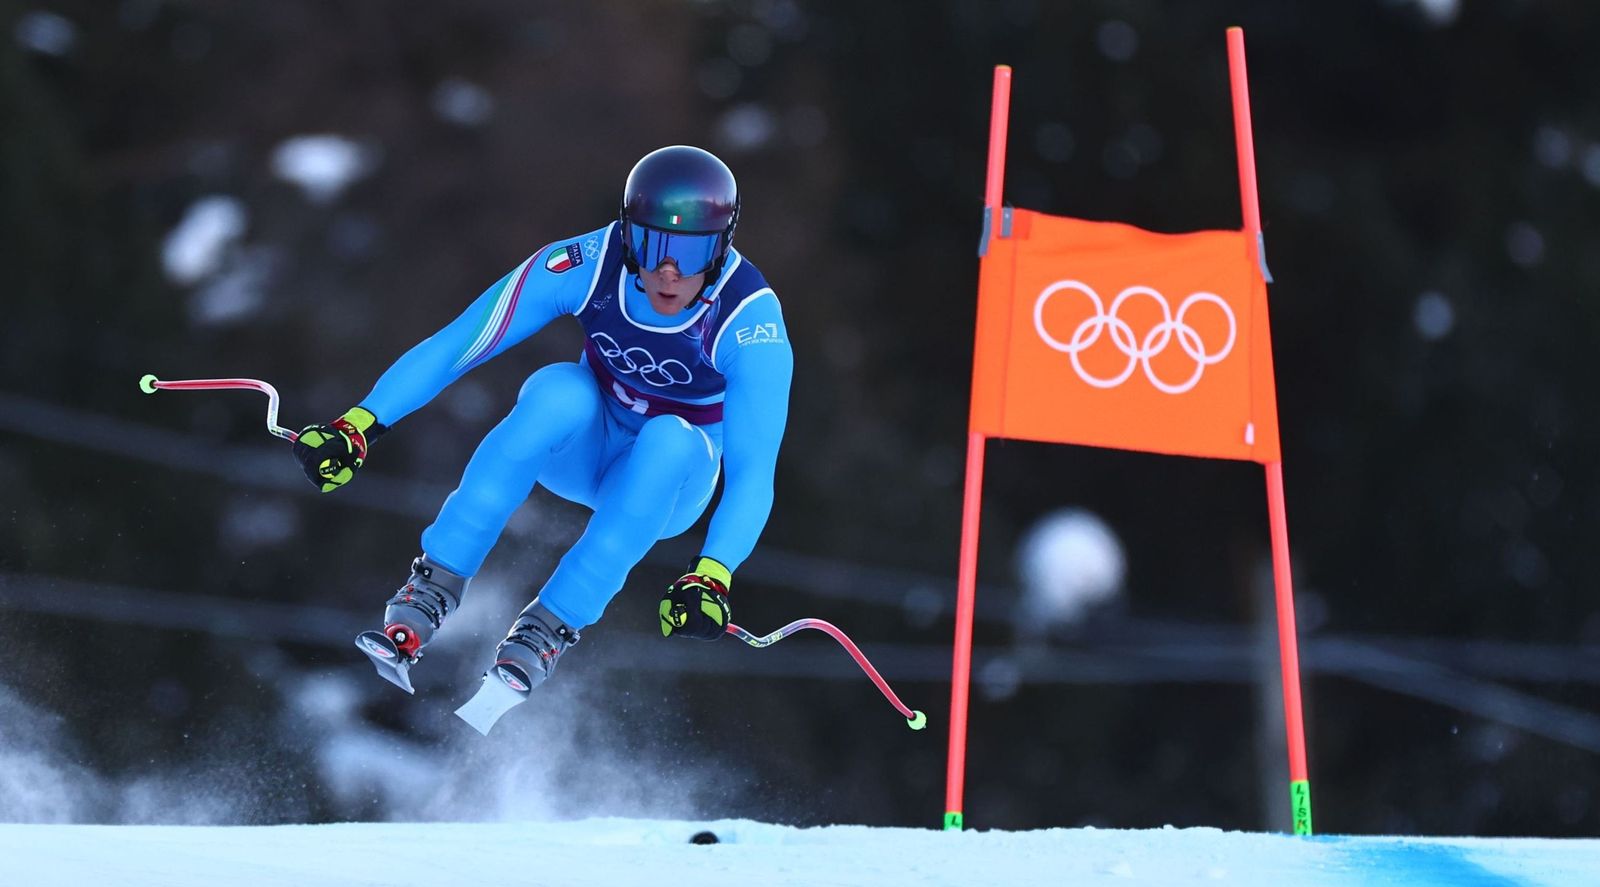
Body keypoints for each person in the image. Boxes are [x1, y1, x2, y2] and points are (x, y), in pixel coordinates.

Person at [291, 145, 793, 725]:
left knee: (670, 439)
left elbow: (755, 474)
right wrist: (360, 424)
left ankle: (550, 626)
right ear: (628, 233)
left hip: (671, 485)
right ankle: (433, 584)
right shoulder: (587, 261)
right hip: (584, 450)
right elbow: (462, 342)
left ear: (723, 244)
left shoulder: (748, 318)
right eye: (654, 246)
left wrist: (713, 573)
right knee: (558, 388)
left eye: (691, 251)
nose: (668, 271)